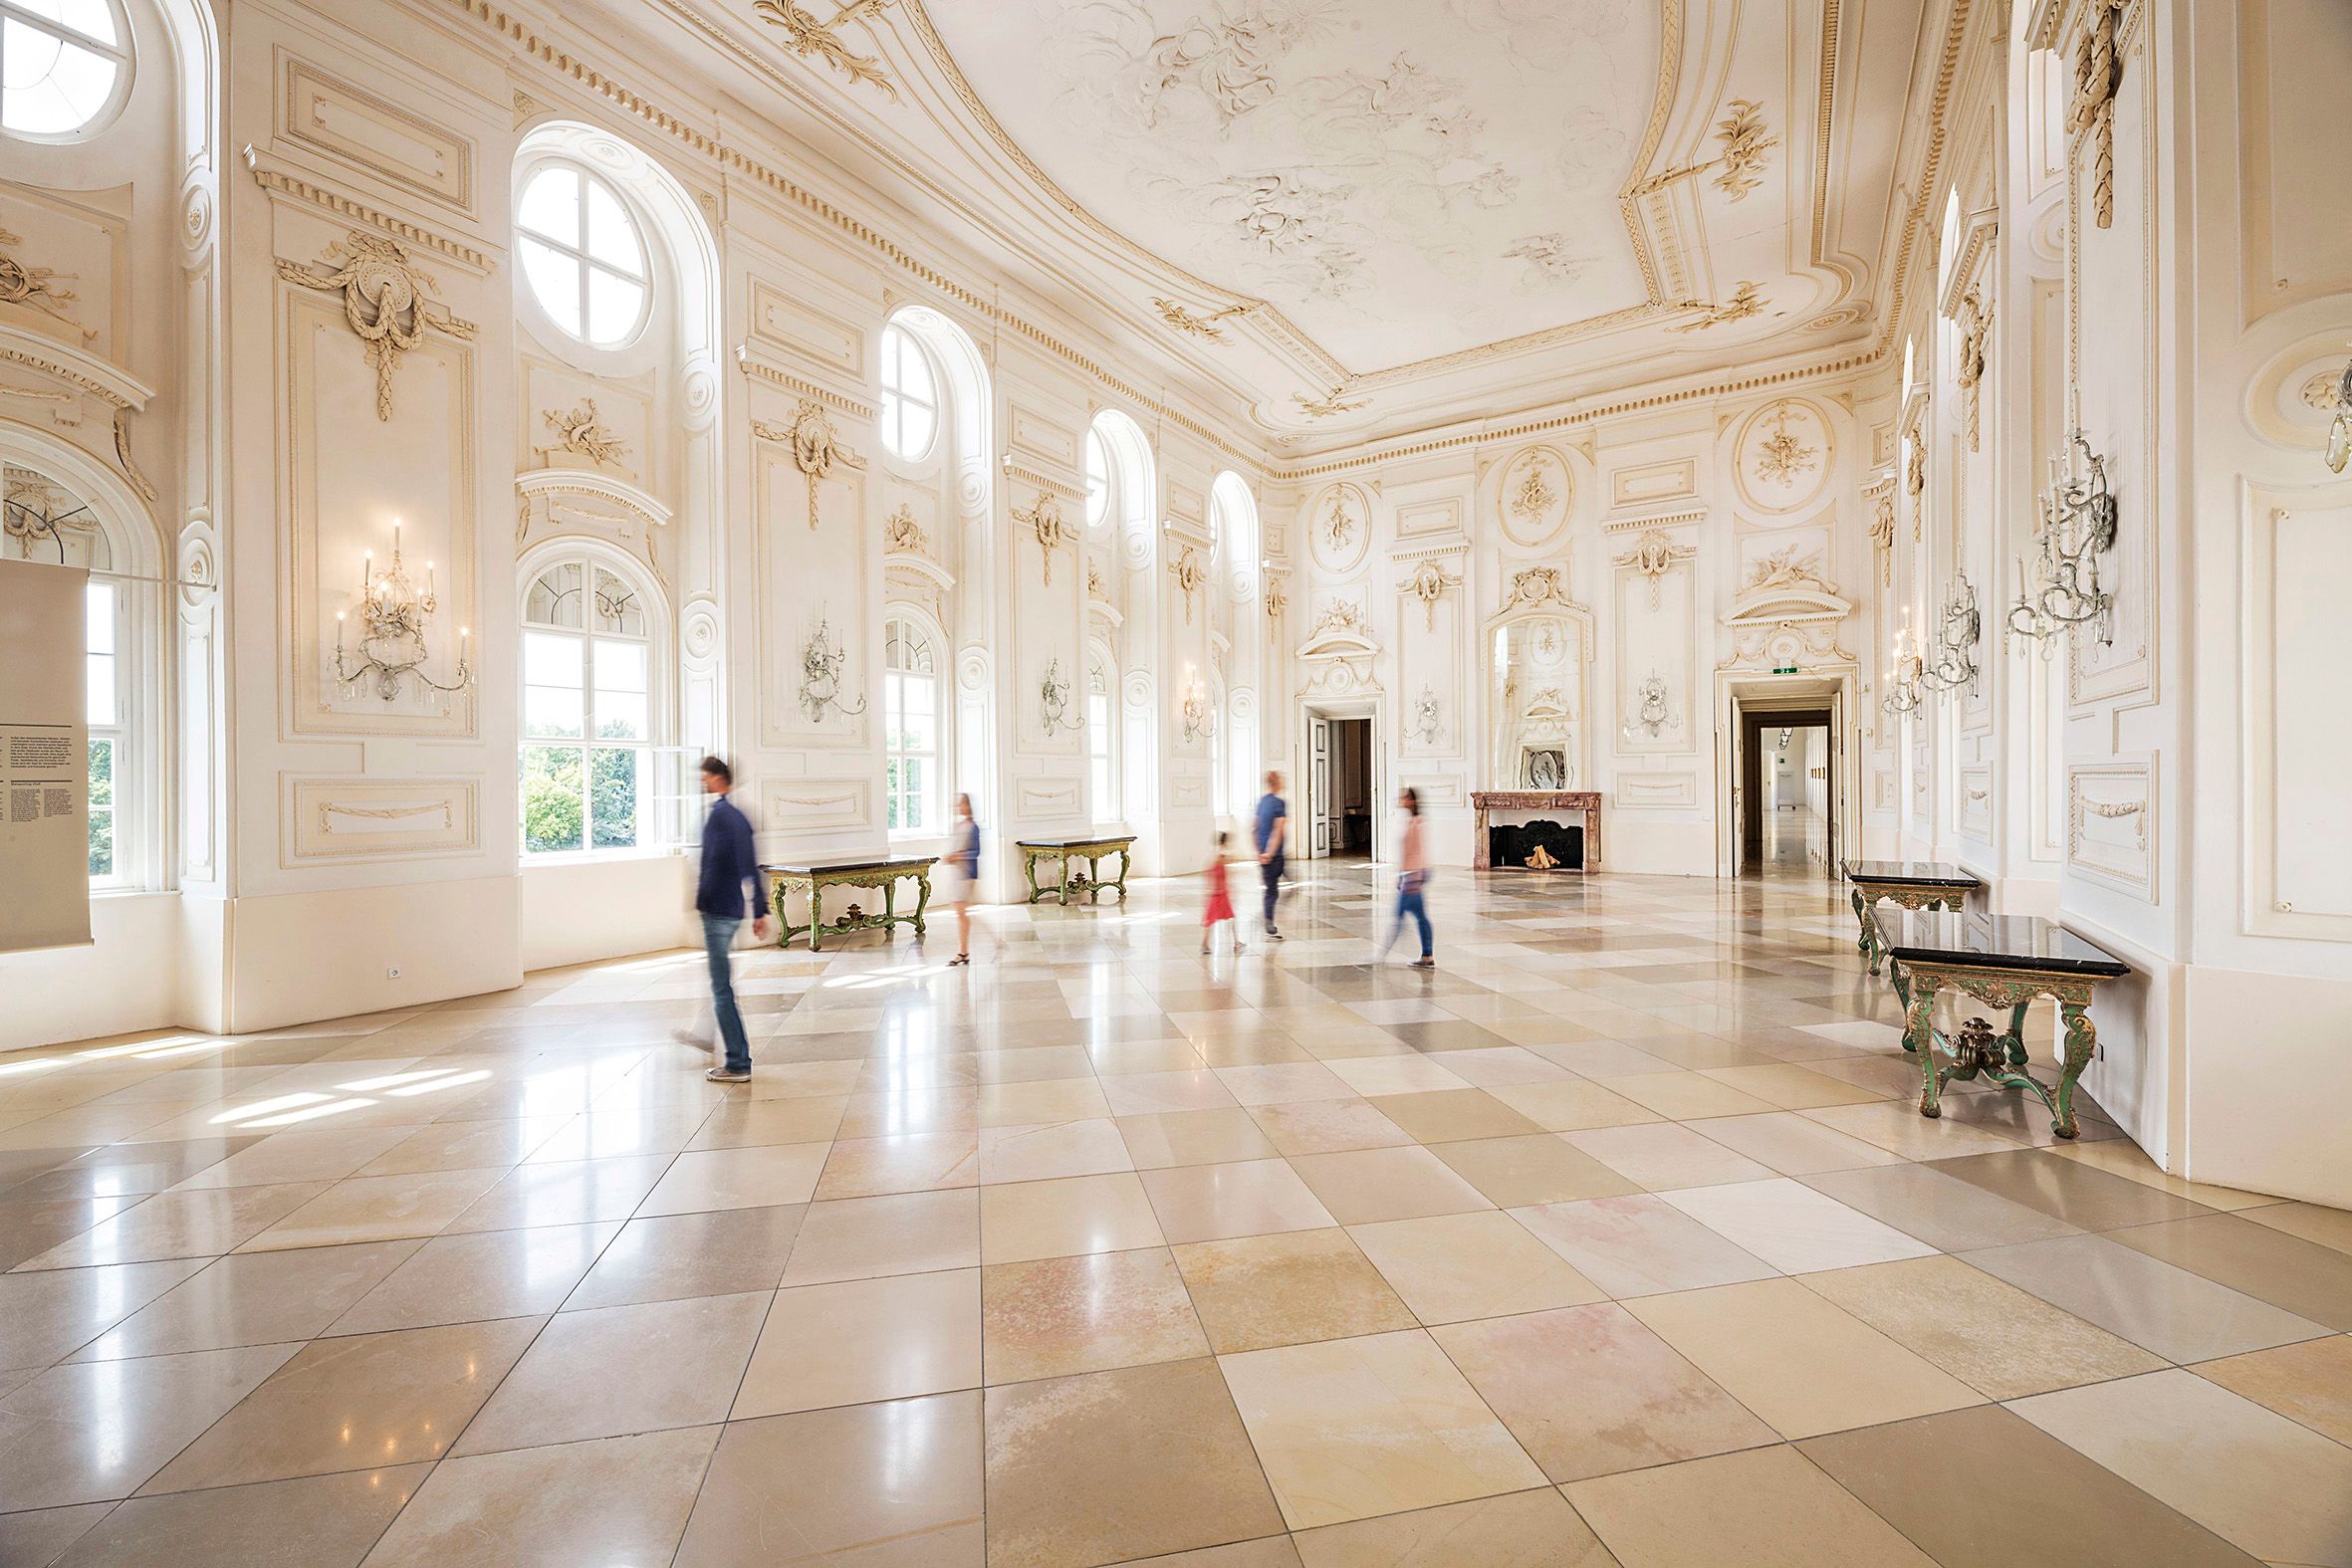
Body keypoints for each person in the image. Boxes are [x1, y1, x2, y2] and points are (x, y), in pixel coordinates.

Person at [694, 756, 769, 1082]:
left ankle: (737, 1062)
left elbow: (722, 865)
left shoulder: (721, 817)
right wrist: (759, 909)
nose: (702, 782)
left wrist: (704, 900)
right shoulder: (736, 816)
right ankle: (707, 1035)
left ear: (717, 777)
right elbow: (750, 865)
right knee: (719, 981)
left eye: (705, 777)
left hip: (719, 909)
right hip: (731, 907)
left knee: (721, 986)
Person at [1382, 786, 1434, 969]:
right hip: (1410, 875)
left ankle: (1381, 955)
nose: (1401, 799)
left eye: (1405, 797)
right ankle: (1427, 954)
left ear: (1412, 801)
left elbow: (1417, 852)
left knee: (1400, 916)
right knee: (1420, 916)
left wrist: (1412, 876)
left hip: (1413, 876)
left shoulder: (1417, 823)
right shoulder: (1412, 821)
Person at [943, 792, 980, 966]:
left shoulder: (973, 827)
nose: (959, 807)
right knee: (961, 912)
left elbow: (976, 852)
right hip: (956, 873)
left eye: (961, 804)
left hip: (966, 874)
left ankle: (963, 951)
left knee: (962, 912)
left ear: (967, 805)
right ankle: (963, 952)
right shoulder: (958, 826)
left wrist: (957, 856)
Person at [1252, 770, 1289, 941]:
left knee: (1270, 888)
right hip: (1274, 856)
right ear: (1276, 783)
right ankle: (1268, 922)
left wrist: (1259, 852)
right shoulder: (1278, 803)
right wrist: (1269, 853)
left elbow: (1254, 829)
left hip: (1264, 856)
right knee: (1272, 892)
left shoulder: (1262, 802)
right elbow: (1278, 830)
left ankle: (1267, 916)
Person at [1201, 829, 1243, 955]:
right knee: (1228, 918)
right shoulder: (1220, 855)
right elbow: (1226, 862)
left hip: (1217, 893)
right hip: (1220, 894)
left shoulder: (1216, 855)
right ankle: (1235, 943)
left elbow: (1210, 873)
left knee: (1212, 919)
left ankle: (1206, 944)